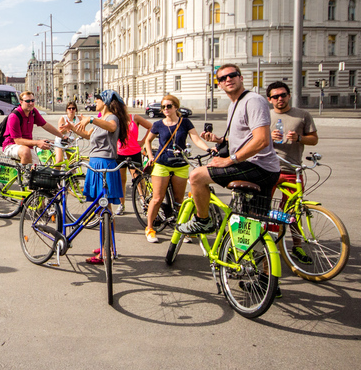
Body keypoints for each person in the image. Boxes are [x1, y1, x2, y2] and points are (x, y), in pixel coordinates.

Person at [186, 64, 281, 235]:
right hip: (257, 166)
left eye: (232, 75)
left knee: (196, 176)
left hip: (258, 166)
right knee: (252, 226)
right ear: (219, 85)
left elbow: (262, 140)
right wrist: (220, 140)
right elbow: (246, 138)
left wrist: (229, 160)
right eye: (222, 78)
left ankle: (203, 221)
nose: (228, 79)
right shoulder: (234, 104)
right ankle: (262, 258)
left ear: (241, 78)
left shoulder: (252, 100)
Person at [60, 90, 127, 264]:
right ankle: (108, 246)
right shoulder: (101, 119)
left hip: (104, 165)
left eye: (97, 99)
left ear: (104, 101)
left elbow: (112, 128)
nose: (95, 102)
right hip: (96, 163)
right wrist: (72, 128)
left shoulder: (111, 118)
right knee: (103, 209)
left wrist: (90, 119)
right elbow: (88, 135)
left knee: (104, 208)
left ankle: (105, 251)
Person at [142, 95, 212, 243]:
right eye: (163, 107)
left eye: (169, 106)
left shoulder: (185, 122)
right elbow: (147, 141)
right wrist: (150, 156)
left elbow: (196, 138)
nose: (166, 109)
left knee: (180, 200)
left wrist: (208, 148)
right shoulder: (158, 124)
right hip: (162, 164)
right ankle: (150, 228)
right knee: (157, 198)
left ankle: (182, 229)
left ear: (176, 107)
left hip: (180, 164)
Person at [267, 80, 318, 265]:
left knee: (293, 212)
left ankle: (296, 246)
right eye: (275, 96)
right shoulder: (266, 115)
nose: (280, 99)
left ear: (289, 95)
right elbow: (253, 140)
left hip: (292, 171)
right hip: (269, 169)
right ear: (269, 99)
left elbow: (314, 139)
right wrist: (268, 138)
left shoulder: (302, 115)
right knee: (263, 209)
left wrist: (299, 138)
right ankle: (263, 246)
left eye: (283, 95)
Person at [2, 91, 63, 164]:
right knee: (26, 152)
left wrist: (62, 136)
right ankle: (25, 175)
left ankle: (26, 173)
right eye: (27, 101)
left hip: (27, 146)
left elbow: (45, 125)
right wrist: (38, 143)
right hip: (11, 145)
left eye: (32, 100)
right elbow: (18, 141)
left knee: (37, 169)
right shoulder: (14, 116)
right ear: (21, 102)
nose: (30, 103)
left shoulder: (33, 112)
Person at [115, 110, 153, 215]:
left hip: (134, 153)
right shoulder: (116, 119)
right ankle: (121, 205)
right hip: (120, 153)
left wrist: (143, 141)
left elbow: (151, 127)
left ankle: (144, 202)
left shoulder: (134, 117)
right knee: (121, 180)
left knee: (139, 179)